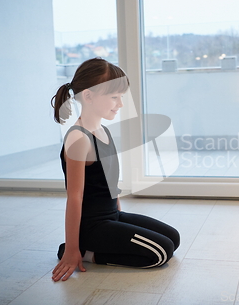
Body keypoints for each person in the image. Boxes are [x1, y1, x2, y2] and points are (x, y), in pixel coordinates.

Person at [50, 57, 180, 282]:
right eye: (114, 97)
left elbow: (108, 182)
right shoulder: (78, 138)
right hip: (91, 226)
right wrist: (72, 248)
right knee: (161, 253)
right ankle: (88, 252)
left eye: (121, 97)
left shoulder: (103, 131)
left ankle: (95, 244)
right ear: (89, 96)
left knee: (173, 238)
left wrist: (120, 217)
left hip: (111, 216)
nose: (120, 104)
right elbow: (74, 198)